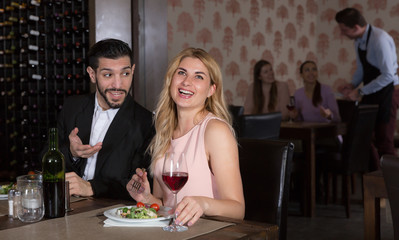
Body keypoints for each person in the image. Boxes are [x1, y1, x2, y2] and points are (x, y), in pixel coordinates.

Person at [126, 48, 245, 226]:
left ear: (211, 89)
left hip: (209, 232)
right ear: (171, 80)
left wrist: (203, 204)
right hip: (173, 232)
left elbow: (238, 209)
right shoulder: (164, 131)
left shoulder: (215, 131)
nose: (187, 82)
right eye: (181, 73)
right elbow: (168, 206)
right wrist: (148, 198)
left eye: (198, 76)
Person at [54, 38, 154, 199]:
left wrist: (92, 188)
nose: (118, 84)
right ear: (92, 74)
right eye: (108, 75)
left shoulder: (146, 122)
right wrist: (71, 152)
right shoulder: (72, 107)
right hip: (67, 208)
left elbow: (142, 183)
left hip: (114, 213)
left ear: (133, 71)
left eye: (125, 73)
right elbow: (45, 158)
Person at [335, 8, 399, 168]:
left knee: (384, 140)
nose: (342, 34)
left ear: (356, 27)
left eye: (344, 30)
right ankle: (375, 180)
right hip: (373, 93)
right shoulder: (359, 41)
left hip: (388, 93)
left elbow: (388, 76)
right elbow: (362, 70)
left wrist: (360, 91)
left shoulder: (379, 40)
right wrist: (351, 85)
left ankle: (392, 187)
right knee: (364, 137)